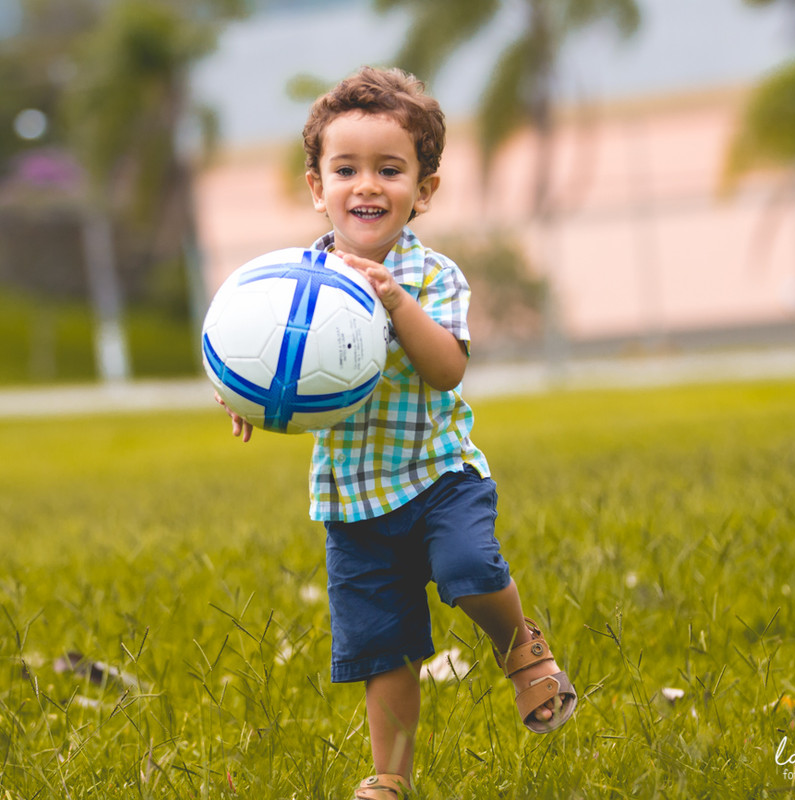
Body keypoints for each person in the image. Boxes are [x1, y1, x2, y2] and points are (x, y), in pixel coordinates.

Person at [217, 66, 576, 799]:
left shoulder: (434, 276)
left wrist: (394, 299)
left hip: (441, 475)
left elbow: (446, 369)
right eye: (345, 169)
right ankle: (390, 778)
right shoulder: (297, 280)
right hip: (352, 500)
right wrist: (246, 397)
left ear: (425, 189)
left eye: (390, 169)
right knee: (383, 650)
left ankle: (521, 652)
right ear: (317, 186)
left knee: (468, 567)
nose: (366, 186)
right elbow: (267, 354)